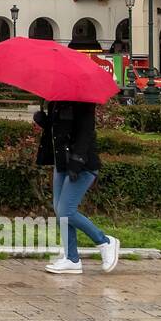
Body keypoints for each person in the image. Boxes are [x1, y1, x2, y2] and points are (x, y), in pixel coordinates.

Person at [34, 101, 119, 275]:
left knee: (66, 211)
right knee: (60, 212)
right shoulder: (56, 101)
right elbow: (60, 130)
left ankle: (105, 242)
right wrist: (45, 121)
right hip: (63, 163)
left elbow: (85, 133)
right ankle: (72, 259)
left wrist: (77, 161)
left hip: (81, 165)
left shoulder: (84, 101)